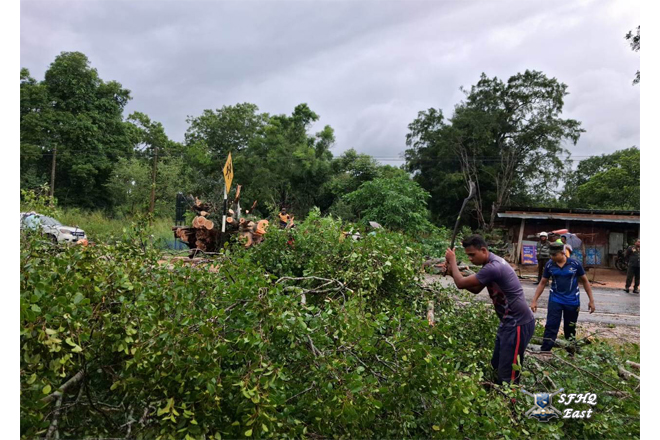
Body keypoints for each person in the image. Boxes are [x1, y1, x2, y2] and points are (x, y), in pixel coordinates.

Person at [445, 235, 535, 384]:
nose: (470, 259)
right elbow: (475, 289)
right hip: (507, 322)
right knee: (496, 366)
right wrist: (451, 272)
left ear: (483, 250)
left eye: (472, 255)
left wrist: (452, 261)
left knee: (508, 375)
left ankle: (509, 397)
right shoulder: (489, 264)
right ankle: (496, 394)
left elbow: (461, 283)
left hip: (518, 323)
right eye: (468, 256)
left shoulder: (494, 267)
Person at [530, 242, 596, 353]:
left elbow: (585, 281)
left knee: (570, 328)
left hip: (572, 301)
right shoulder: (550, 265)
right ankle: (545, 351)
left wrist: (591, 301)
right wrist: (534, 300)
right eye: (551, 255)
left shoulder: (575, 264)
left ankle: (571, 352)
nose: (552, 257)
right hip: (555, 299)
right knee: (551, 325)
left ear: (562, 253)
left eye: (554, 255)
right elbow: (542, 283)